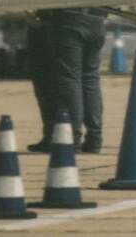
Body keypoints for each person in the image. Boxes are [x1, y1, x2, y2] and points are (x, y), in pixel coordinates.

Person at [41, 8, 107, 153]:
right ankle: (95, 138)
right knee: (91, 79)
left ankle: (73, 137)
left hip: (68, 21)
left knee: (70, 79)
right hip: (96, 21)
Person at [25, 14, 57, 152]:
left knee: (47, 89)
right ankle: (51, 135)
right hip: (48, 27)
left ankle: (53, 136)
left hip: (47, 30)